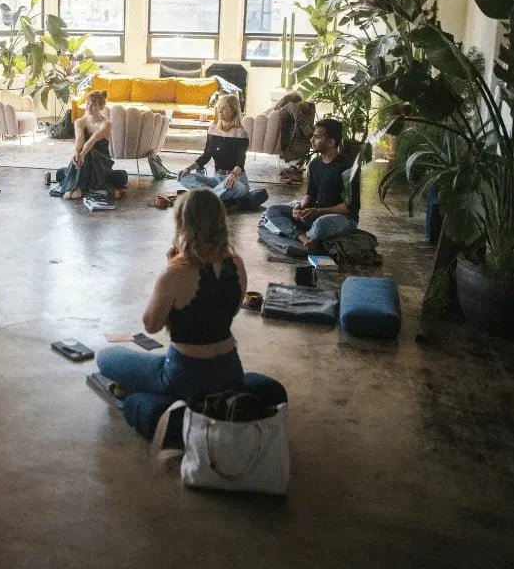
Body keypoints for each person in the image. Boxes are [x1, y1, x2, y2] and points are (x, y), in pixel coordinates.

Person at [96, 188, 287, 440]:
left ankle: (157, 404)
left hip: (181, 374)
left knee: (106, 358)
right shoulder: (237, 264)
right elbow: (229, 309)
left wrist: (169, 271)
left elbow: (151, 325)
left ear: (183, 224)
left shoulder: (175, 273)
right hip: (230, 370)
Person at [262, 118, 361, 250]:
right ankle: (304, 238)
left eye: (316, 137)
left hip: (342, 219)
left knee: (321, 224)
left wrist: (318, 211)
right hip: (316, 214)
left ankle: (304, 234)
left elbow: (349, 207)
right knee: (272, 211)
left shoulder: (347, 168)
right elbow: (310, 194)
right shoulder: (315, 164)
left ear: (331, 142)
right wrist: (301, 208)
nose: (311, 141)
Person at [177, 94, 268, 211]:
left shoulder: (240, 133)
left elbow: (240, 163)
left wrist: (233, 175)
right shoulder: (212, 130)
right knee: (182, 177)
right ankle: (215, 198)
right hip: (217, 179)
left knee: (234, 187)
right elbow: (205, 157)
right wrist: (188, 169)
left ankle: (204, 198)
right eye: (219, 107)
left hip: (236, 180)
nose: (219, 110)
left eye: (224, 108)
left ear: (234, 110)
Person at [57, 89, 113, 200]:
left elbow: (93, 140)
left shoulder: (106, 124)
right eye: (88, 103)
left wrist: (82, 154)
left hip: (101, 161)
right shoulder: (80, 121)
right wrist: (76, 154)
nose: (89, 107)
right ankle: (77, 186)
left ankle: (75, 187)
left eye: (93, 105)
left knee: (89, 152)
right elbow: (80, 138)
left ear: (101, 107)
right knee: (67, 166)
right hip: (85, 161)